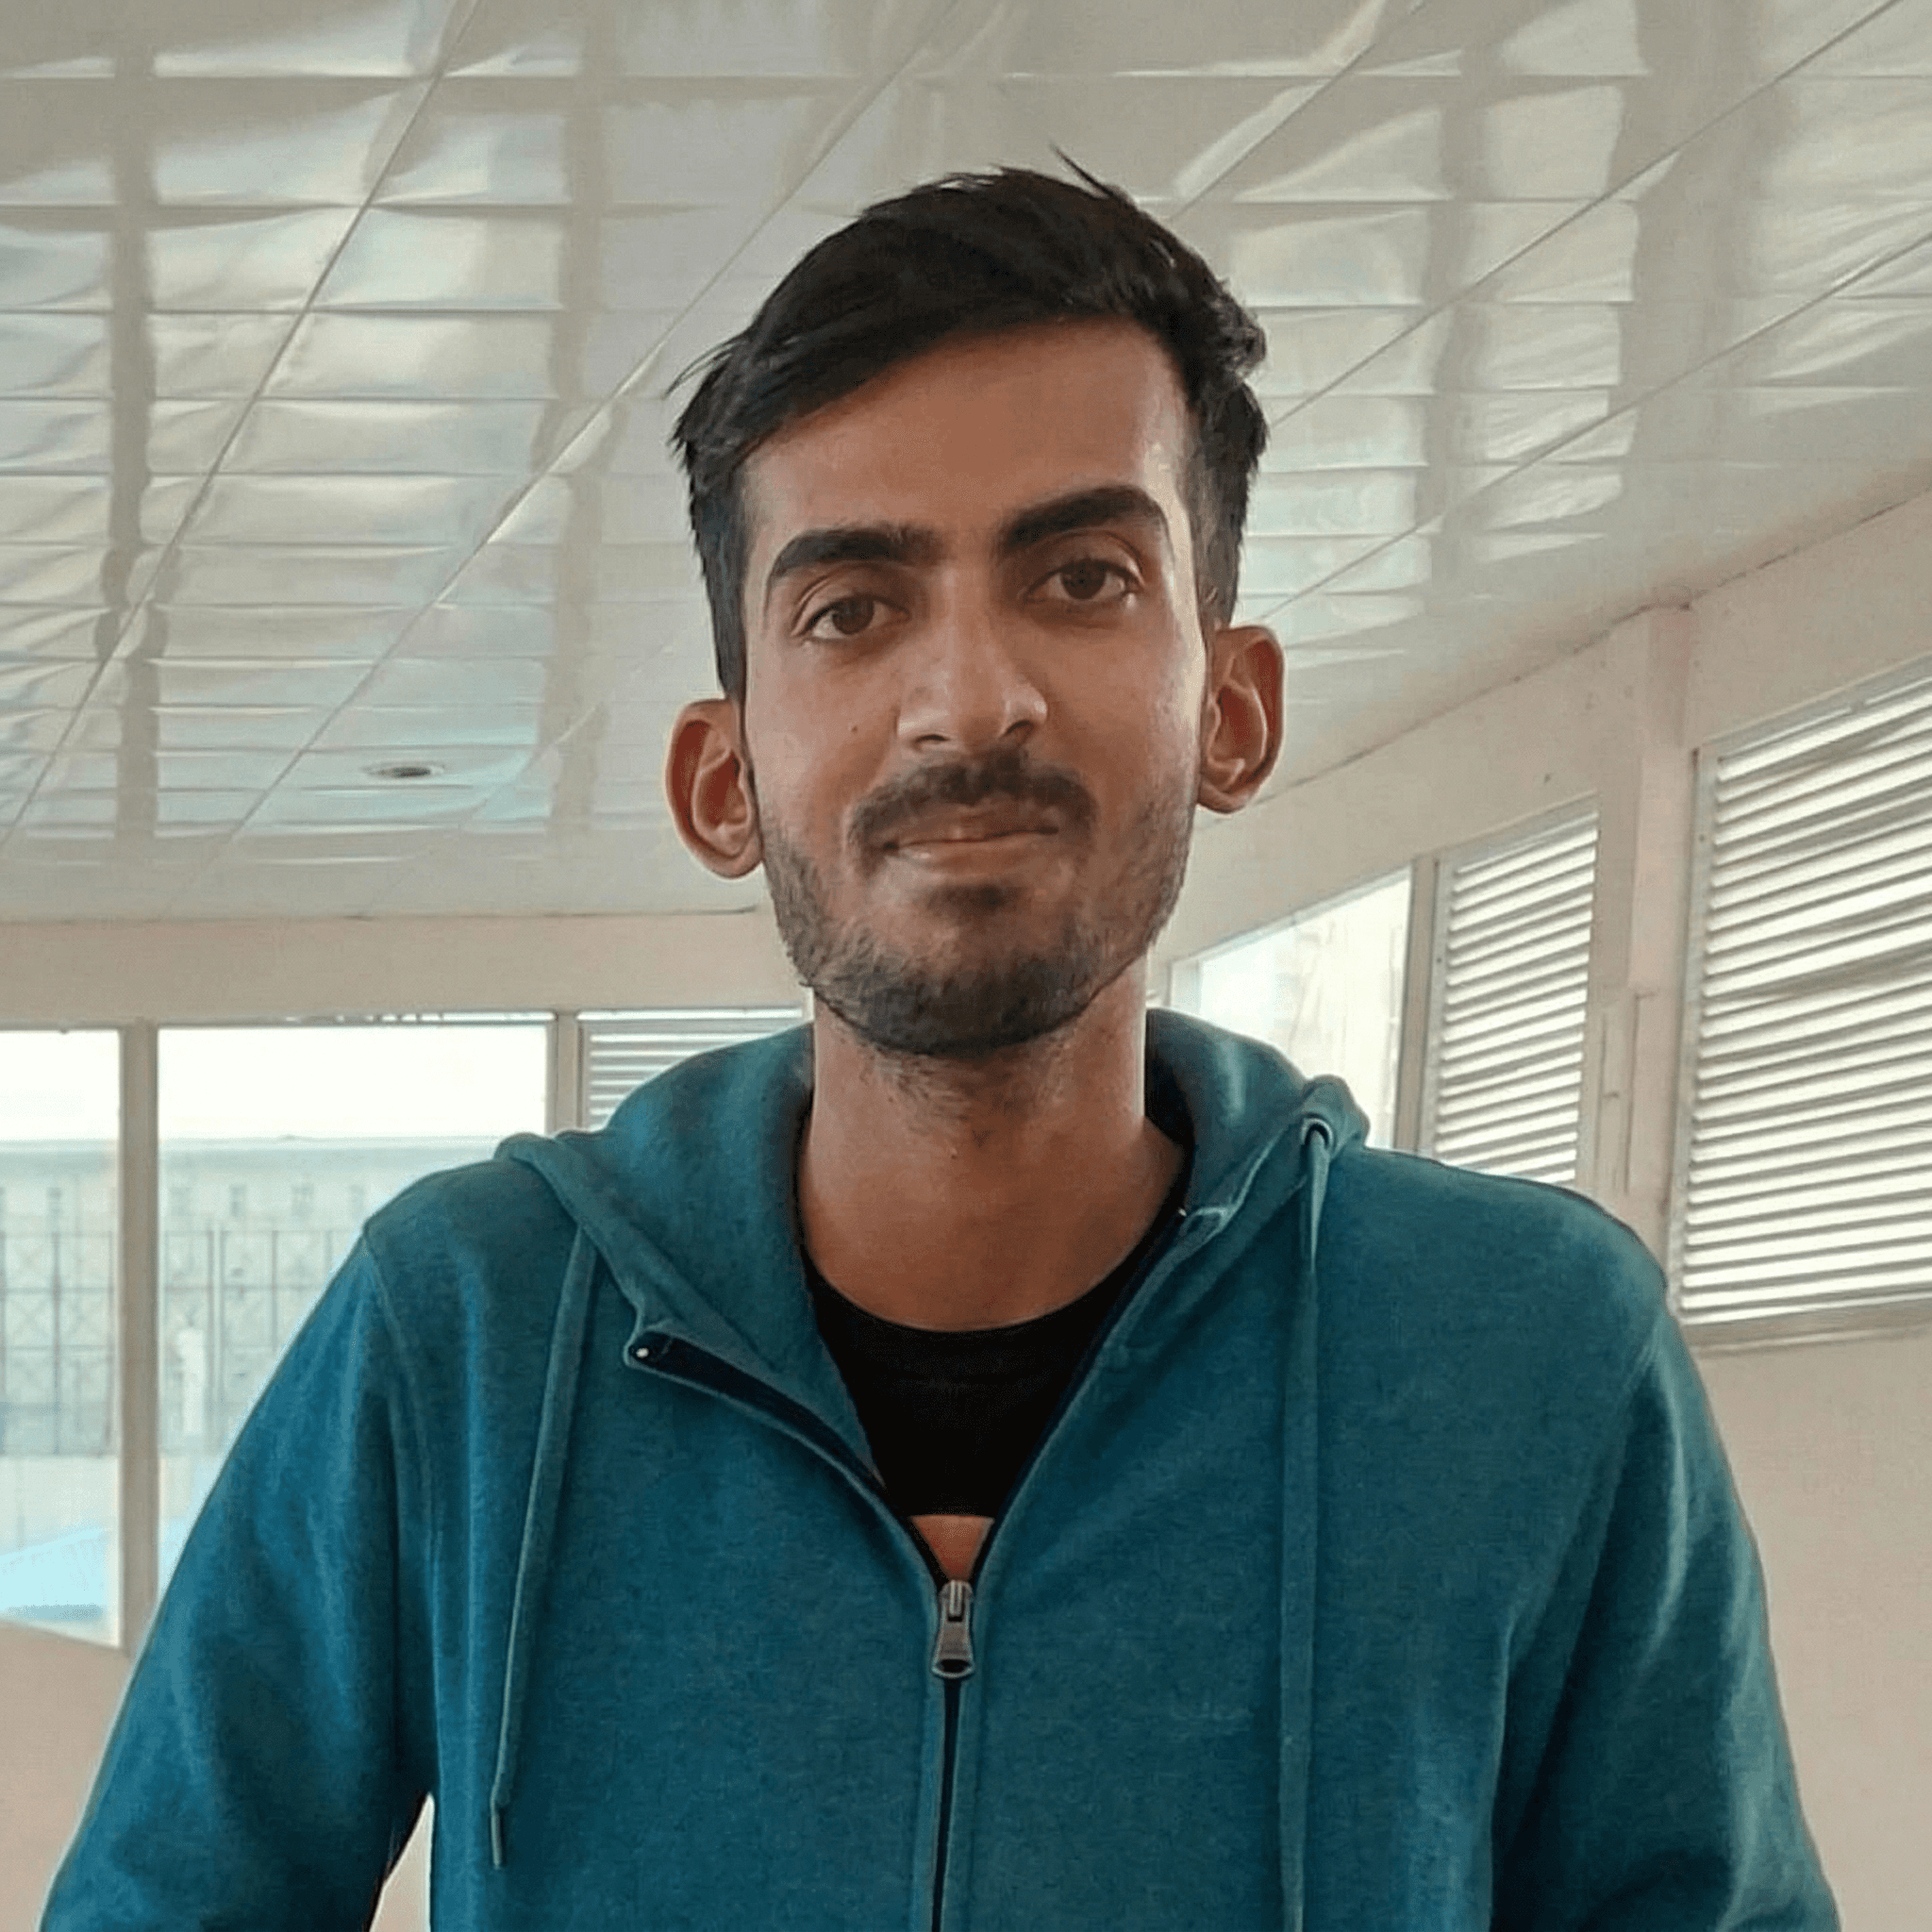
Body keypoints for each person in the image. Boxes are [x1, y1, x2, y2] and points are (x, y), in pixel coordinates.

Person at [44, 166, 1839, 1931]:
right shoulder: (467, 1330)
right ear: (720, 777)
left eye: (1078, 575)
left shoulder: (1527, 1353)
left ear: (1231, 706)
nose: (970, 697)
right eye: (850, 607)